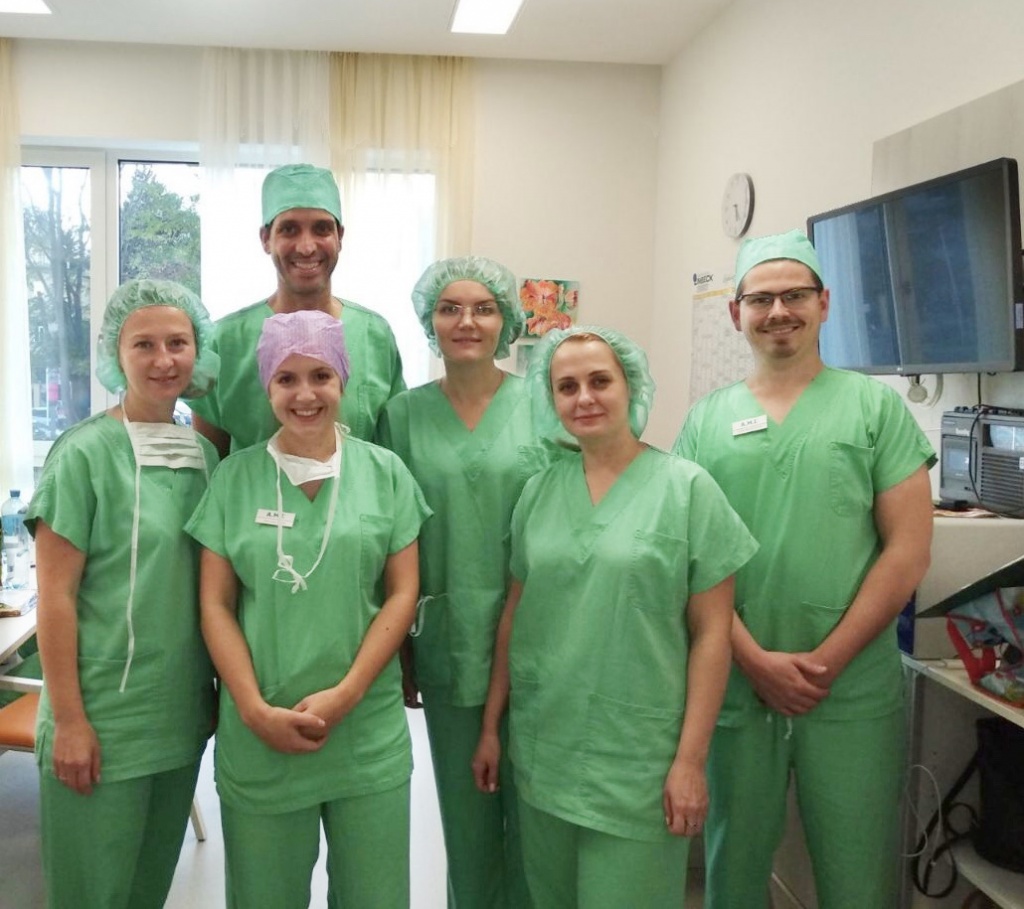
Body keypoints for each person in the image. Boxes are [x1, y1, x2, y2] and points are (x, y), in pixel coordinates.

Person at [674, 229, 935, 909]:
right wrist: (754, 660)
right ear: (736, 312)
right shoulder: (706, 422)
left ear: (824, 302)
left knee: (856, 869)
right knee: (733, 869)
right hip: (736, 681)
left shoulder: (875, 409)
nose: (778, 311)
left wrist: (825, 661)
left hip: (849, 688)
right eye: (761, 298)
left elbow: (907, 552)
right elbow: (688, 560)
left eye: (794, 295)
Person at [472, 326, 757, 908]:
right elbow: (516, 615)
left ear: (631, 386)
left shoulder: (687, 490)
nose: (584, 398)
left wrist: (690, 762)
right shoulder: (538, 493)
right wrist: (491, 728)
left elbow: (712, 635)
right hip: (545, 747)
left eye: (600, 381)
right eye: (566, 386)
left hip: (638, 760)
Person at [186, 309, 430, 909]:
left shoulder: (386, 474)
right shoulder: (234, 479)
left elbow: (402, 593)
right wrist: (251, 709)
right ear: (266, 386)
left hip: (364, 731)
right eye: (286, 378)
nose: (305, 394)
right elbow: (215, 604)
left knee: (375, 896)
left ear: (343, 380)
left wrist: (347, 694)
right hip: (261, 731)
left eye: (321, 375)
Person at [25, 278, 220, 909]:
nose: (164, 359)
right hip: (101, 717)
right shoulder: (82, 455)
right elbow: (55, 597)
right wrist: (70, 721)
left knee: (146, 889)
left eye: (178, 343)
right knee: (91, 893)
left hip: (179, 715)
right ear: (116, 352)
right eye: (144, 345)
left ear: (198, 351)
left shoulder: (203, 458)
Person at [378, 256, 541, 908]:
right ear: (430, 321)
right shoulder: (401, 416)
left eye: (483, 308)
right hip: (446, 641)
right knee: (468, 823)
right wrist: (399, 646)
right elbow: (389, 537)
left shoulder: (545, 404)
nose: (466, 321)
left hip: (543, 640)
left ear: (506, 321)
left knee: (537, 828)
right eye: (450, 308)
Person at [190, 163, 405, 456]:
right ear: (266, 239)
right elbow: (209, 460)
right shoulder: (226, 341)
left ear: (340, 237)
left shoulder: (373, 335)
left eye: (322, 229)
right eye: (289, 229)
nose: (306, 247)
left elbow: (390, 451)